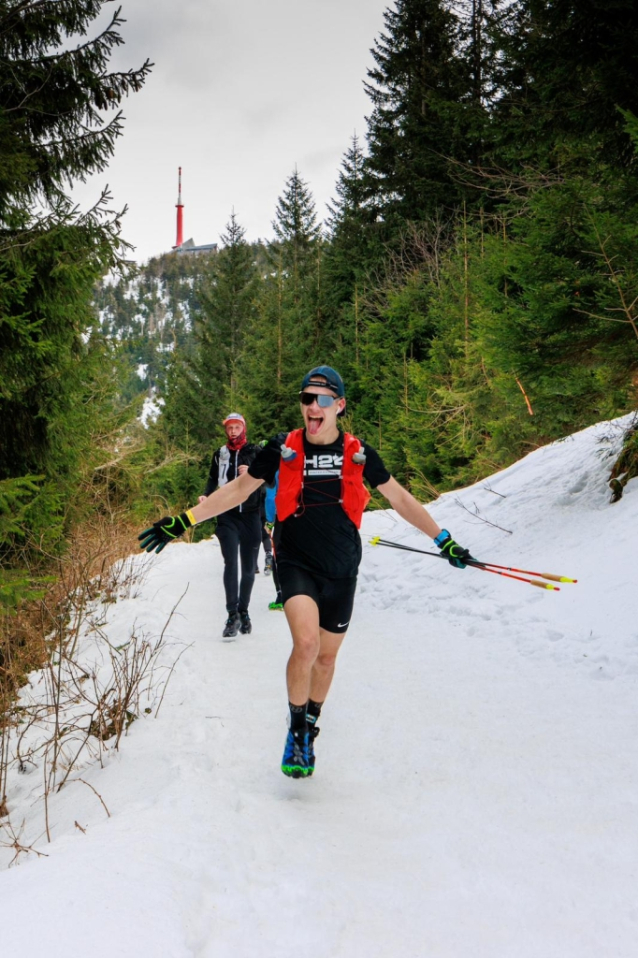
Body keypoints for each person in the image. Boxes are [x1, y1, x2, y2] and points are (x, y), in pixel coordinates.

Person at [139, 366, 472, 778]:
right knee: (308, 644)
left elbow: (400, 498)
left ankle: (311, 725)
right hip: (295, 560)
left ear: (339, 406)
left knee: (327, 660)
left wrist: (442, 539)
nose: (313, 406)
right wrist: (183, 520)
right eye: (307, 398)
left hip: (342, 566)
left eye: (323, 399)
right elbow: (239, 490)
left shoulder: (358, 452)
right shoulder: (281, 447)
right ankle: (296, 730)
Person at [200, 412, 262, 638]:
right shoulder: (220, 454)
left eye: (237, 427)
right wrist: (206, 495)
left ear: (243, 428)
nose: (233, 431)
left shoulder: (255, 452)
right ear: (226, 430)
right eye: (230, 428)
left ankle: (244, 612)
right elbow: (212, 478)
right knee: (230, 563)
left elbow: (271, 479)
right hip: (226, 514)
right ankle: (231, 615)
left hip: (251, 515)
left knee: (248, 567)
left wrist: (252, 472)